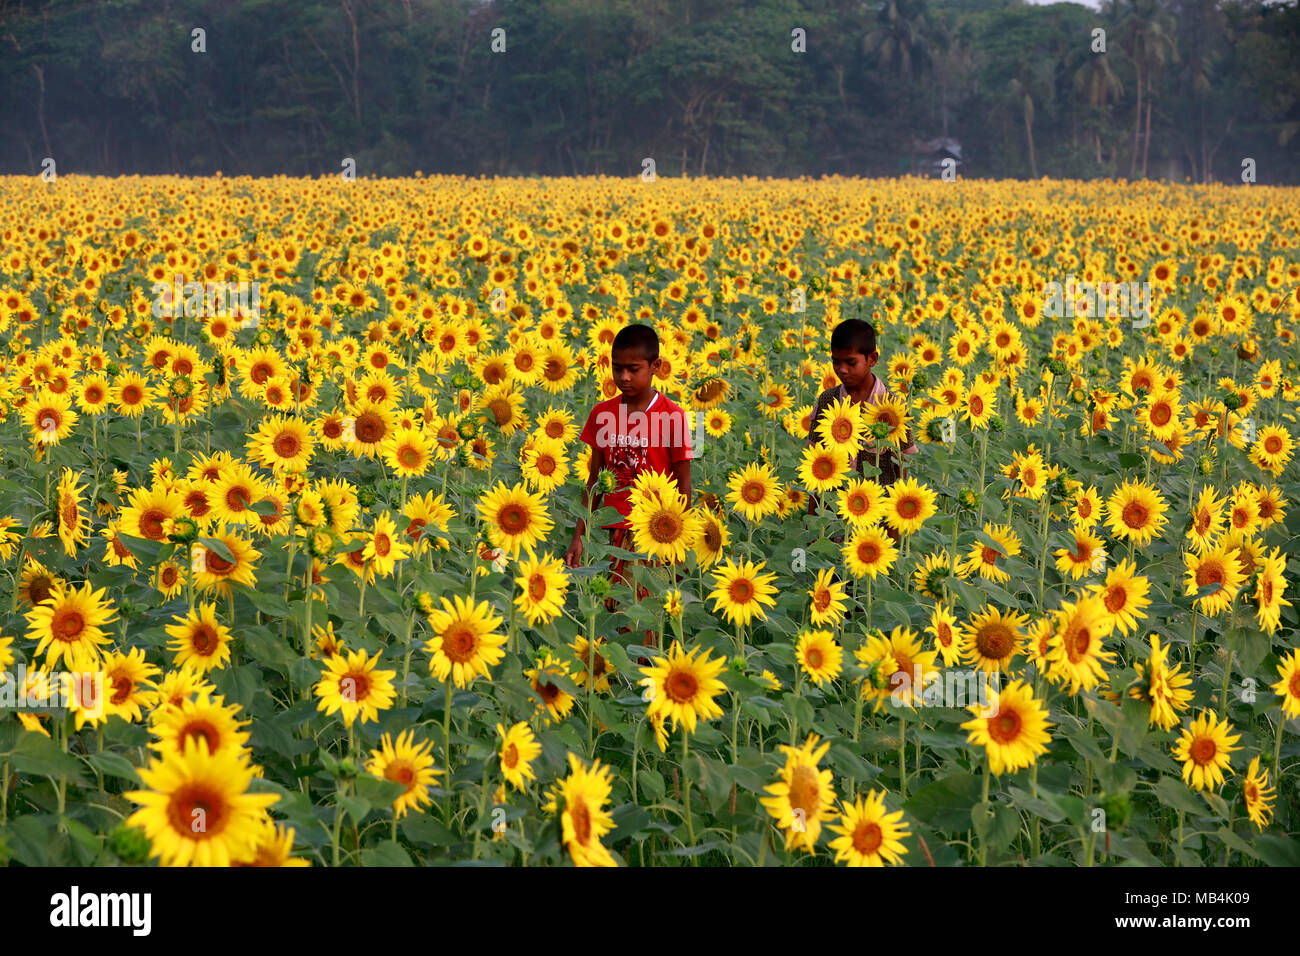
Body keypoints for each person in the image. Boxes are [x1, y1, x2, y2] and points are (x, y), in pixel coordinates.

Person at [564, 324, 695, 640]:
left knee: (644, 621)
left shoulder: (676, 416)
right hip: (609, 533)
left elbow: (684, 487)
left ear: (656, 367)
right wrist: (580, 535)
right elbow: (594, 482)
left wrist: (679, 543)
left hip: (653, 535)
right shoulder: (601, 413)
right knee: (606, 619)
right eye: (617, 368)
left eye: (633, 369)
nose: (623, 377)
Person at [805, 318, 919, 529]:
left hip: (879, 518)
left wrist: (895, 528)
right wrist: (811, 525)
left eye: (850, 362)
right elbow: (813, 462)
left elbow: (904, 469)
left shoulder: (894, 407)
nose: (842, 370)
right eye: (836, 362)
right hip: (831, 516)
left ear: (872, 358)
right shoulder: (827, 400)